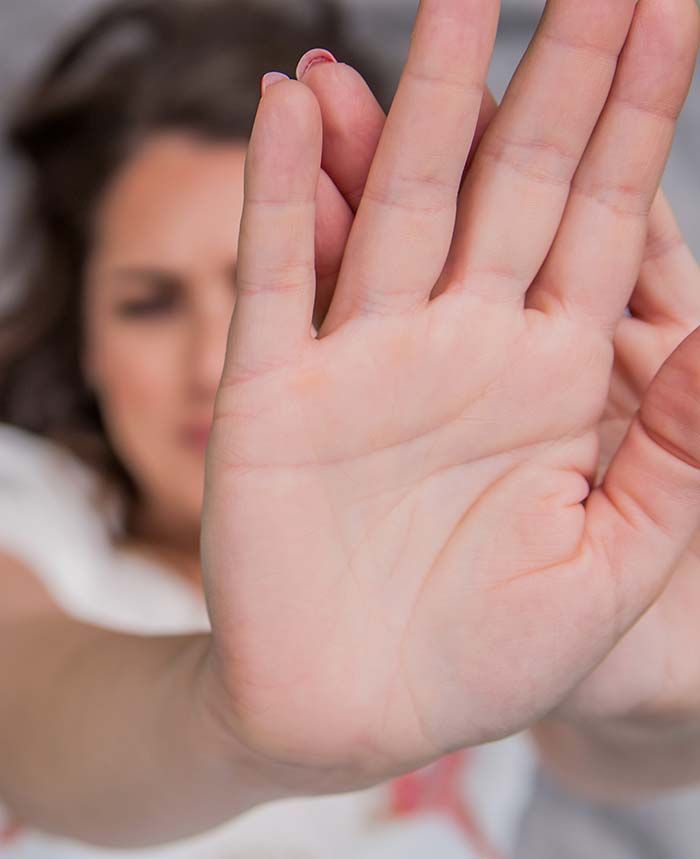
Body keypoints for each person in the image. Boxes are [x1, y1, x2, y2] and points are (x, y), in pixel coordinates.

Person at [0, 1, 699, 859]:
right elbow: (31, 717)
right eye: (149, 304)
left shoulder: (476, 543)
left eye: (279, 290)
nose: (209, 365)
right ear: (87, 345)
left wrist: (653, 677)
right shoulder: (32, 524)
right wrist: (234, 726)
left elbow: (614, 755)